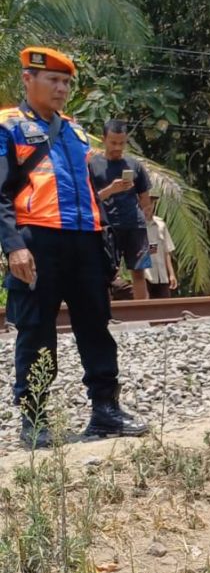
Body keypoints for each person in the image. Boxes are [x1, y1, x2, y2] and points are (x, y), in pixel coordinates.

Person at [0, 47, 147, 447]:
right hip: (37, 241)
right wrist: (13, 246)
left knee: (96, 328)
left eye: (67, 82)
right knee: (35, 331)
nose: (62, 88)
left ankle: (106, 411)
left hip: (85, 241)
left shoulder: (76, 130)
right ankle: (34, 421)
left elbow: (86, 190)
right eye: (54, 80)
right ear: (28, 80)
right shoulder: (8, 126)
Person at [87, 119, 153, 299]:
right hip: (106, 228)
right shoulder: (92, 165)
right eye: (113, 142)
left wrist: (147, 216)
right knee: (104, 274)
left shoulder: (135, 165)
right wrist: (111, 190)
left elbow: (145, 199)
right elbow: (88, 200)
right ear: (104, 139)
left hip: (134, 225)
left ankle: (142, 315)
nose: (117, 147)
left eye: (122, 143)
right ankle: (105, 317)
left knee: (139, 272)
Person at [143, 190, 177, 298]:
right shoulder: (137, 227)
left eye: (151, 203)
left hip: (161, 275)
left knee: (164, 306)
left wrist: (171, 274)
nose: (148, 207)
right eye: (146, 203)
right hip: (146, 275)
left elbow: (167, 251)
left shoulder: (160, 224)